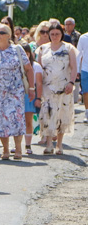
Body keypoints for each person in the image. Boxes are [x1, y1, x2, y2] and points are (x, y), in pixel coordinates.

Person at [0, 25, 33, 159]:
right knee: (1, 121)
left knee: (16, 119)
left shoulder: (17, 49)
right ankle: (5, 149)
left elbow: (28, 69)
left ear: (8, 35)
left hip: (15, 92)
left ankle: (18, 148)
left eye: (2, 32)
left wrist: (31, 88)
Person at [36, 22, 78, 155]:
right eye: (52, 34)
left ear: (62, 34)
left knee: (62, 114)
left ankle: (59, 144)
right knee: (48, 114)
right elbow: (38, 68)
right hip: (47, 86)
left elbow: (74, 67)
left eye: (57, 34)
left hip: (64, 86)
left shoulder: (68, 48)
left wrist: (71, 82)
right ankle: (49, 144)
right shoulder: (43, 49)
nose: (54, 36)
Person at [22, 44, 42, 151]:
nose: (25, 55)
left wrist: (38, 98)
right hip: (18, 95)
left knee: (28, 121)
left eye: (27, 53)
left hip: (29, 94)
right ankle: (17, 145)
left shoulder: (36, 66)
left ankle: (28, 145)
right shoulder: (15, 65)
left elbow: (38, 83)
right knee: (17, 121)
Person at [77, 30, 88, 123]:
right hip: (85, 68)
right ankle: (87, 112)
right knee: (86, 91)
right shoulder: (83, 37)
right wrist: (77, 70)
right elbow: (78, 53)